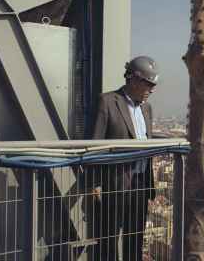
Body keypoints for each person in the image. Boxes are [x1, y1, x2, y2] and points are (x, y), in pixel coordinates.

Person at [90, 56, 159, 261]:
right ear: (134, 79)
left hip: (140, 183)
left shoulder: (147, 109)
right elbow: (96, 144)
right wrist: (95, 184)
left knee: (135, 238)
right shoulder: (108, 102)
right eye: (148, 84)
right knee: (109, 239)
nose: (152, 89)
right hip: (115, 182)